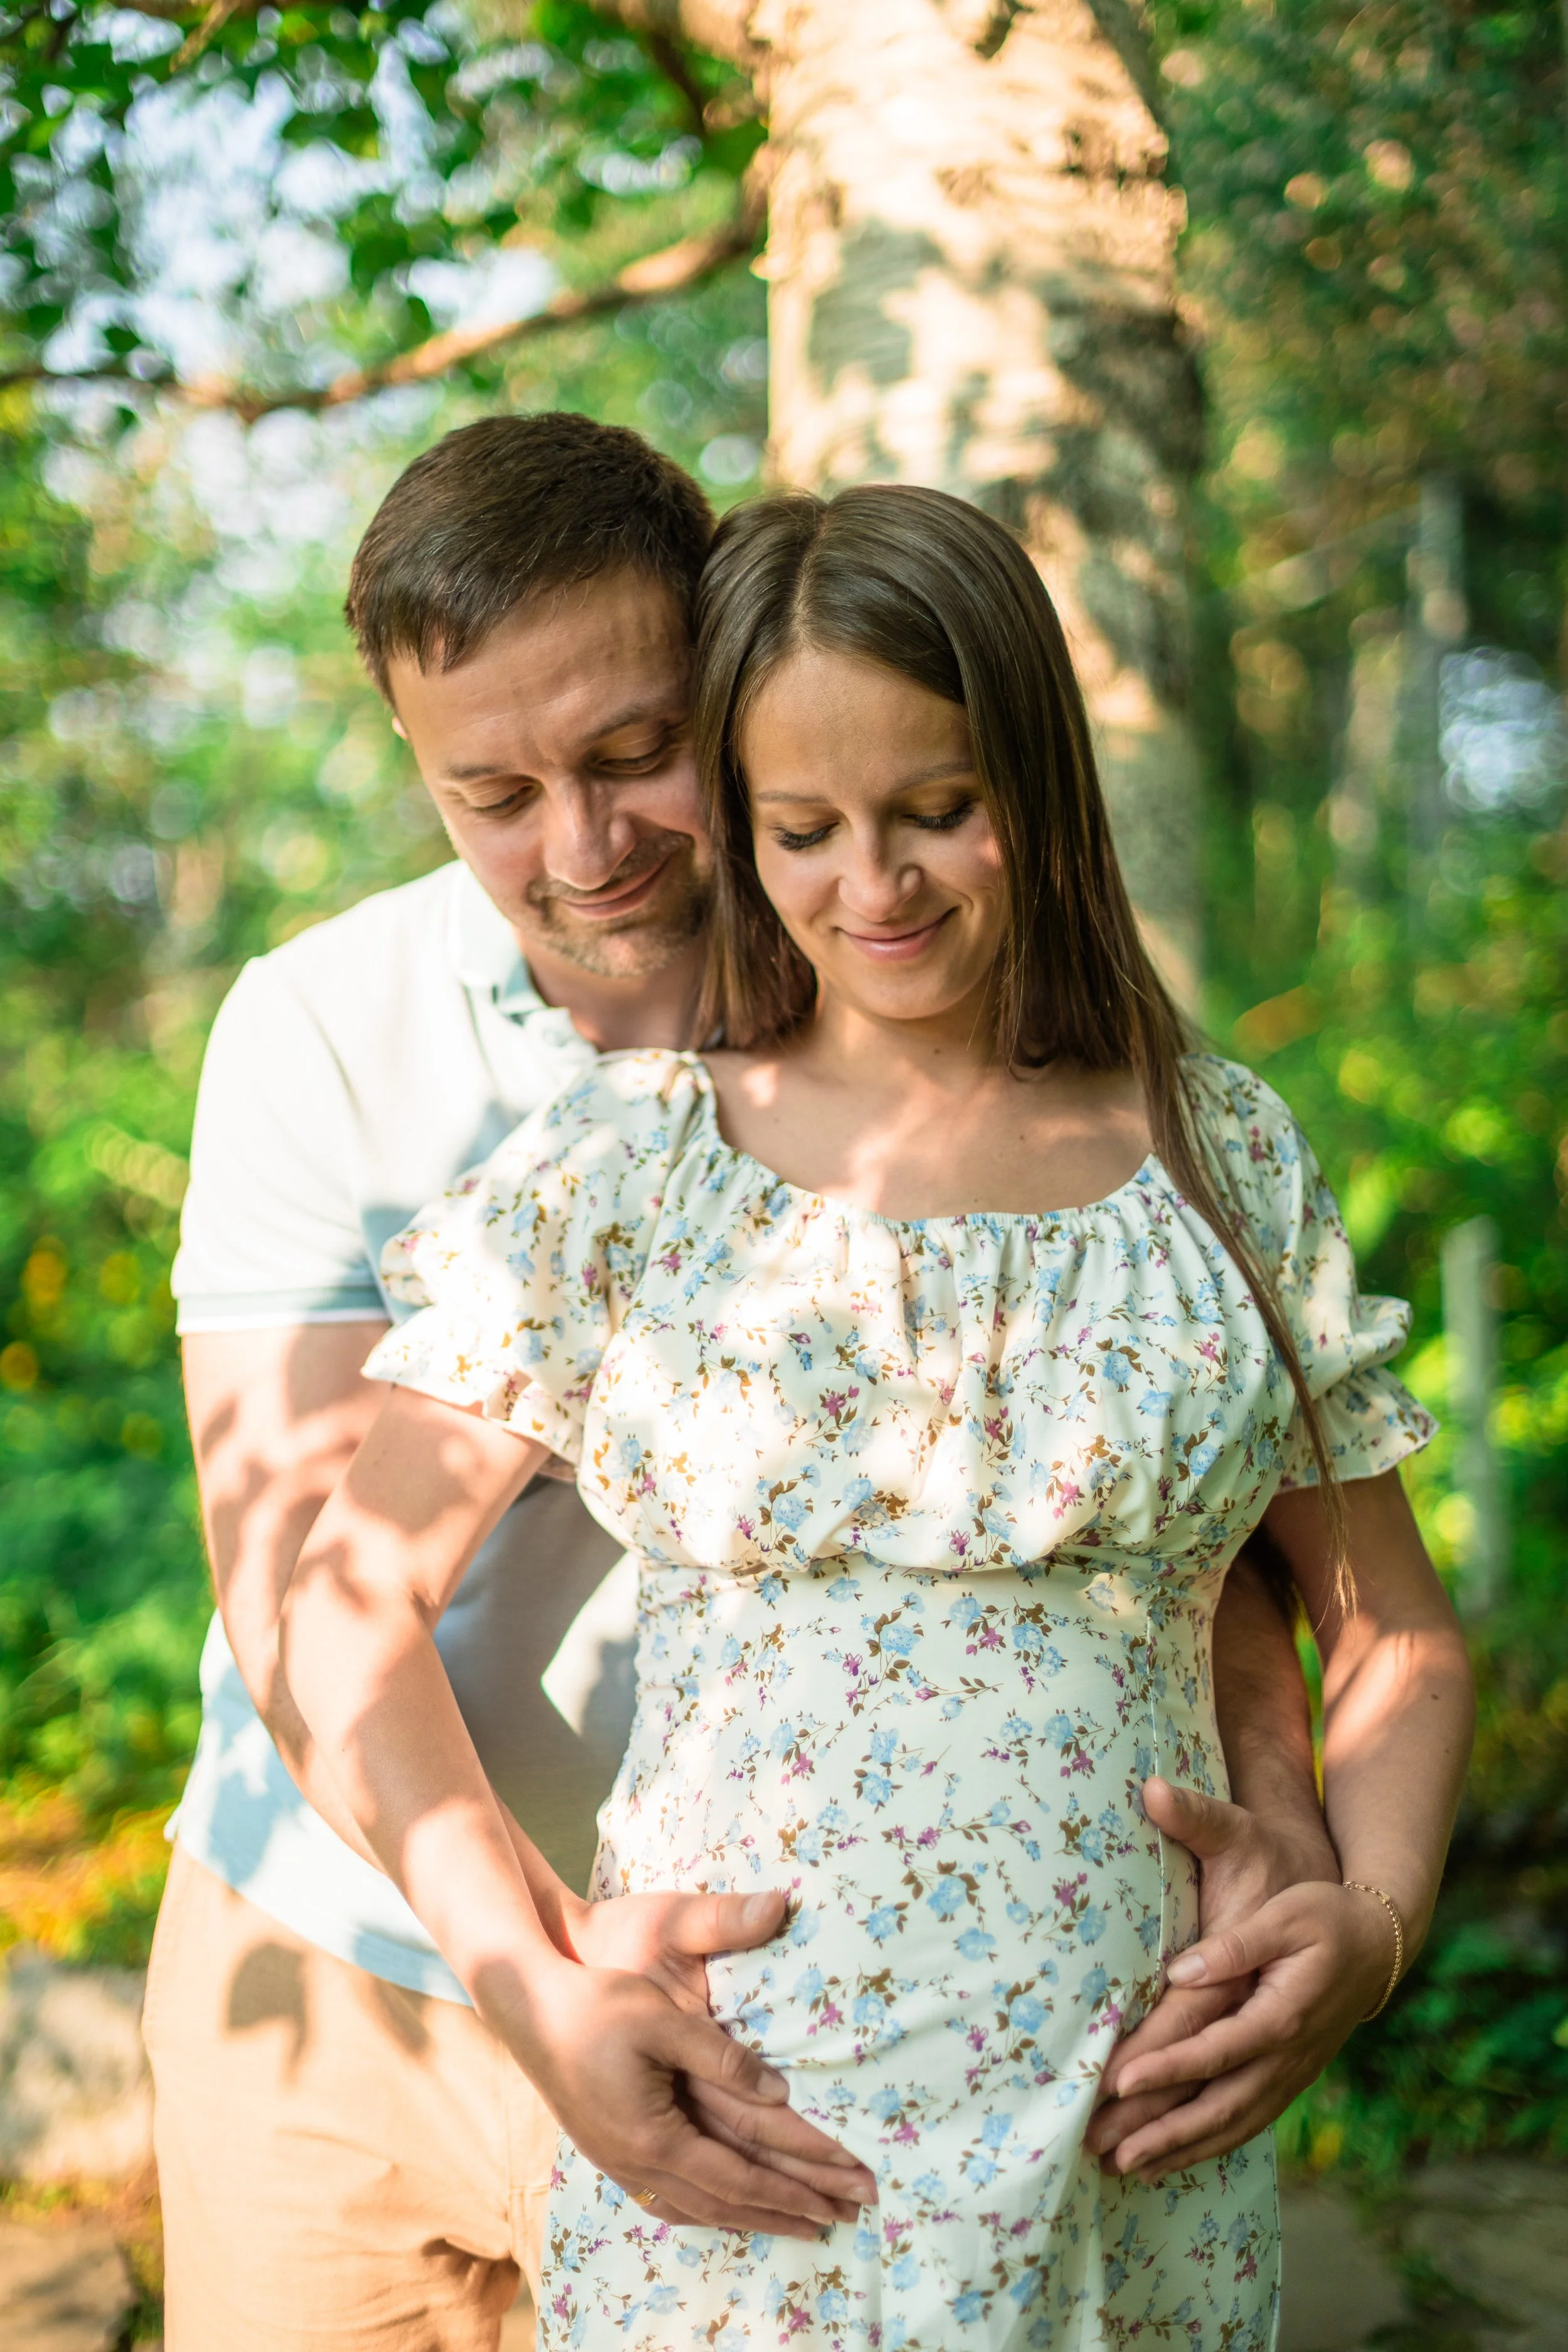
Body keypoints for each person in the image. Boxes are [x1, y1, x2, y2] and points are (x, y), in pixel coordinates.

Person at [277, 483, 1475, 2350]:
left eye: (937, 808)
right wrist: (530, 1979)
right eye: (804, 829)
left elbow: (1388, 1629)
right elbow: (339, 1613)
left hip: (1132, 2131)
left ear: (1043, 784)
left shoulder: (1214, 1152)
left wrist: (1367, 1925)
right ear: (741, 835)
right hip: (745, 2139)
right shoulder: (635, 1169)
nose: (877, 884)